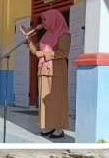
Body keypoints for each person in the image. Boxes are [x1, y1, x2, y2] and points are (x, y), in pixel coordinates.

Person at [23, 10, 71, 139]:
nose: (43, 22)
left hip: (57, 72)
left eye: (45, 20)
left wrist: (44, 54)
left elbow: (63, 52)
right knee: (45, 101)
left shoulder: (64, 34)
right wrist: (28, 39)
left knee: (57, 100)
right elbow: (36, 51)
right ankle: (49, 126)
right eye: (42, 20)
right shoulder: (46, 35)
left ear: (54, 19)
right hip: (43, 70)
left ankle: (59, 128)